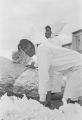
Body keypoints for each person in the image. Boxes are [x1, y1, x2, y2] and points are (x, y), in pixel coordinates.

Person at [36, 25, 82, 105]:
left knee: (68, 100)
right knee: (72, 97)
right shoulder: (45, 45)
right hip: (72, 68)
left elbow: (44, 74)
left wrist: (42, 99)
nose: (45, 33)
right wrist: (48, 93)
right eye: (45, 31)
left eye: (47, 30)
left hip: (77, 66)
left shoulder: (50, 43)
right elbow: (48, 72)